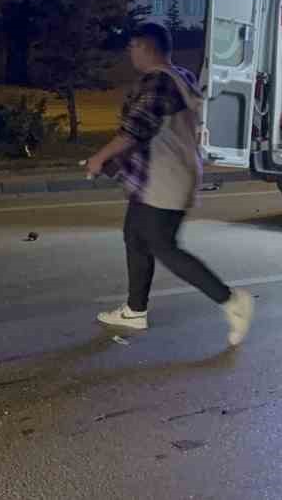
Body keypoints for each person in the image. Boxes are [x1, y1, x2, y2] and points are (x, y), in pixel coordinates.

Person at [85, 22, 253, 346]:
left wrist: (98, 158)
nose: (129, 53)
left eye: (132, 46)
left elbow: (134, 130)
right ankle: (135, 310)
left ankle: (232, 301)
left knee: (163, 246)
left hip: (165, 179)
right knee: (134, 236)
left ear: (146, 48)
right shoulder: (180, 75)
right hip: (160, 177)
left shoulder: (159, 82)